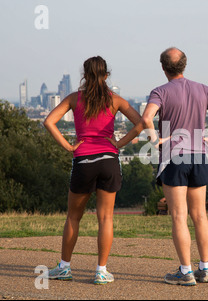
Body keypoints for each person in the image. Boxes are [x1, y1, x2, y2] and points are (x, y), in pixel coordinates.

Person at [138, 47, 208, 286]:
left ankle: (185, 271)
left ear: (163, 68)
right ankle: (205, 268)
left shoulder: (160, 91)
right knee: (200, 215)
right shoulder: (203, 89)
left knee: (179, 216)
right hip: (199, 156)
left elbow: (146, 117)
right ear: (184, 65)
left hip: (174, 157)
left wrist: (154, 138)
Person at [43, 56, 141, 284]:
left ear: (84, 76)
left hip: (84, 161)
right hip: (109, 160)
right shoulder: (115, 100)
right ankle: (101, 271)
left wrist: (68, 146)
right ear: (106, 76)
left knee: (73, 217)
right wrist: (120, 143)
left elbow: (49, 121)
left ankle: (64, 267)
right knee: (105, 218)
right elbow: (141, 123)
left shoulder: (74, 98)